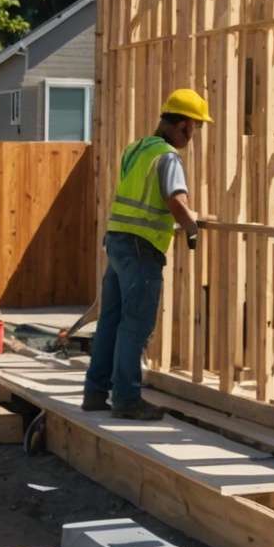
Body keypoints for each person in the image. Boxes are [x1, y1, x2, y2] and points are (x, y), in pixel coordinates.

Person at [83, 89, 211, 419]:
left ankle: (96, 393)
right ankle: (126, 399)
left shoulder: (136, 149)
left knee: (110, 320)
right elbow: (176, 202)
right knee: (135, 325)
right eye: (194, 127)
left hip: (117, 242)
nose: (192, 135)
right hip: (141, 250)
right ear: (183, 125)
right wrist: (194, 227)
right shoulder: (168, 157)